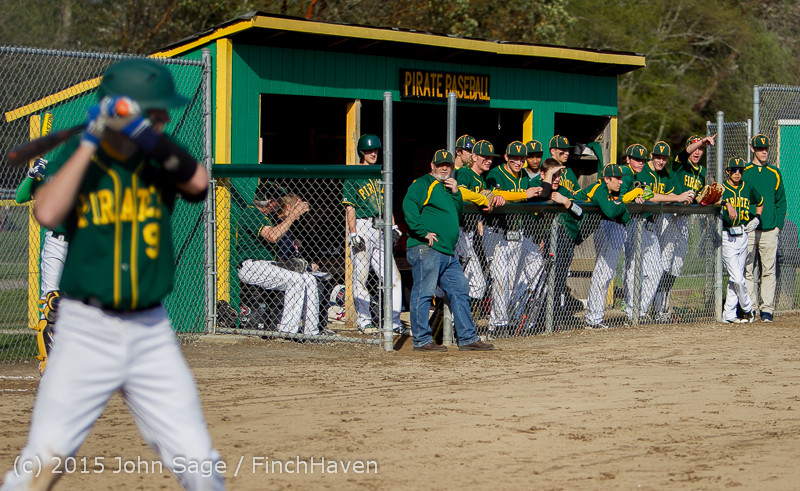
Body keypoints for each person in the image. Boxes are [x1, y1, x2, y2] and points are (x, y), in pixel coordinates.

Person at [2, 59, 224, 490]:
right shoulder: (81, 156)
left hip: (150, 329)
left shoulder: (160, 155)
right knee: (42, 462)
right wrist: (89, 141)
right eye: (155, 109)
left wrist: (146, 135)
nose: (164, 116)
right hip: (86, 330)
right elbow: (46, 212)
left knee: (200, 463)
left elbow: (199, 183)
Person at [402, 149, 494, 351]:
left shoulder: (449, 188)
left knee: (460, 289)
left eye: (448, 165)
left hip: (446, 251)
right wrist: (422, 232)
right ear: (432, 166)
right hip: (427, 247)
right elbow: (408, 205)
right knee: (424, 292)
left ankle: (467, 338)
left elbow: (458, 213)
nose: (444, 168)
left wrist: (456, 193)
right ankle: (422, 340)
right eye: (440, 164)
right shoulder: (423, 183)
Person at [483, 141, 562, 337]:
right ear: (506, 158)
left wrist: (550, 175)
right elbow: (493, 194)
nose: (518, 162)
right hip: (496, 233)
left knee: (512, 282)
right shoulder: (496, 174)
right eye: (514, 158)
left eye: (521, 158)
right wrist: (522, 194)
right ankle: (497, 325)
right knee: (501, 280)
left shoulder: (525, 177)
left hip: (517, 236)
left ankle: (508, 322)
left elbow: (541, 193)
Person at [236, 186, 327, 336]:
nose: (280, 203)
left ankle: (311, 332)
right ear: (270, 202)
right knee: (296, 280)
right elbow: (273, 236)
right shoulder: (251, 212)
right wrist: (293, 214)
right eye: (278, 200)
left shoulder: (269, 216)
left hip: (268, 266)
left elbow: (284, 218)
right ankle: (287, 332)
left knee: (310, 280)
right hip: (250, 265)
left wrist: (293, 211)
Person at [622, 142, 694, 323]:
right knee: (632, 270)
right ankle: (630, 312)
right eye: (657, 156)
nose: (660, 160)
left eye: (664, 157)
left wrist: (682, 199)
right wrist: (677, 197)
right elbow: (649, 195)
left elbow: (670, 194)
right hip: (632, 224)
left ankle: (640, 312)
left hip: (650, 226)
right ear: (652, 156)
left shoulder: (664, 176)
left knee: (655, 271)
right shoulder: (638, 172)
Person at [342, 134, 406, 335]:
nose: (373, 153)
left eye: (376, 150)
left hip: (381, 226)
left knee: (393, 276)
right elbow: (350, 207)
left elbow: (387, 205)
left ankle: (394, 321)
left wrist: (394, 227)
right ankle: (364, 320)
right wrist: (352, 233)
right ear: (362, 152)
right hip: (362, 225)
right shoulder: (354, 174)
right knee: (360, 275)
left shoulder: (382, 174)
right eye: (369, 151)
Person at [15, 156, 68, 374]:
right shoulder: (52, 168)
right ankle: (48, 365)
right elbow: (20, 197)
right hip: (57, 243)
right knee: (51, 304)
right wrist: (32, 176)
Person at [652, 134, 714, 321]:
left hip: (685, 220)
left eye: (701, 149)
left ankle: (664, 305)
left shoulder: (702, 172)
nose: (697, 152)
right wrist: (701, 141)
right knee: (664, 260)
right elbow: (682, 154)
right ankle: (656, 307)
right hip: (670, 215)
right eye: (695, 148)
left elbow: (698, 196)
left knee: (676, 264)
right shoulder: (680, 165)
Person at [584, 164, 635, 329]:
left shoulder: (613, 191)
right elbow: (612, 212)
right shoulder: (600, 188)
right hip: (592, 227)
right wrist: (622, 207)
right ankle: (593, 318)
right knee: (603, 272)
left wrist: (621, 206)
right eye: (617, 179)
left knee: (605, 273)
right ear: (607, 179)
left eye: (622, 178)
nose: (621, 182)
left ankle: (595, 317)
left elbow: (622, 215)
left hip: (604, 227)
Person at [454, 140, 506, 300]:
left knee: (477, 285)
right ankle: (450, 320)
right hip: (457, 233)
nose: (489, 160)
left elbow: (484, 197)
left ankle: (456, 320)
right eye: (485, 156)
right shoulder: (464, 172)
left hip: (468, 235)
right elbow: (460, 192)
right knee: (456, 283)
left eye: (491, 157)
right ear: (474, 157)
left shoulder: (480, 179)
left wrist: (493, 198)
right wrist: (482, 198)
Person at [744, 134, 787, 323]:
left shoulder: (774, 172)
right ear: (752, 149)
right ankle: (750, 307)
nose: (764, 151)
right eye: (760, 148)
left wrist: (778, 226)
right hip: (750, 228)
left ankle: (767, 309)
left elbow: (781, 201)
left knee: (768, 270)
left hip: (770, 229)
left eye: (766, 148)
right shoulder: (744, 171)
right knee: (747, 268)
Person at [721, 157, 763, 323]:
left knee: (735, 279)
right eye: (734, 170)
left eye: (740, 170)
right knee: (738, 278)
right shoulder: (723, 187)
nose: (737, 173)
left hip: (743, 234)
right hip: (727, 235)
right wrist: (726, 203)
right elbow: (710, 199)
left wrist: (757, 218)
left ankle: (729, 315)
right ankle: (748, 308)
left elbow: (760, 201)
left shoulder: (748, 187)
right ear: (727, 172)